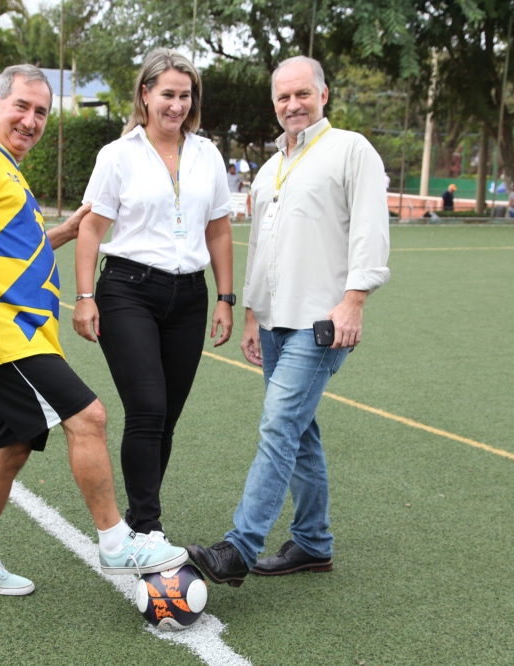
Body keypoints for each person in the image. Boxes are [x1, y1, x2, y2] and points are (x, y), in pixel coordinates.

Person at [0, 63, 189, 596]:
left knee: (11, 448)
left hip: (24, 330)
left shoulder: (7, 169)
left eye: (41, 112)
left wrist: (63, 233)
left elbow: (8, 248)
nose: (30, 120)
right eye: (21, 107)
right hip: (4, 331)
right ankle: (117, 541)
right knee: (88, 416)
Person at [187, 55, 390, 587]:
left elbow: (371, 231)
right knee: (298, 431)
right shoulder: (270, 169)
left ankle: (239, 547)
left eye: (302, 94)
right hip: (274, 321)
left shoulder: (351, 150)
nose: (293, 104)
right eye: (283, 97)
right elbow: (261, 248)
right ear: (274, 103)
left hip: (322, 321)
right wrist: (252, 315)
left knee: (279, 424)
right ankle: (313, 543)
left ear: (324, 94)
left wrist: (355, 301)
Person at [73, 48, 234, 543]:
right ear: (145, 95)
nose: (177, 105)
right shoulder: (117, 155)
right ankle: (147, 528)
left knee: (167, 418)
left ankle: (141, 518)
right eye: (167, 94)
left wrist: (226, 297)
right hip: (128, 292)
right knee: (147, 407)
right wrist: (84, 296)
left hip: (190, 297)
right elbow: (91, 228)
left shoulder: (207, 154)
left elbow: (219, 229)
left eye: (186, 96)